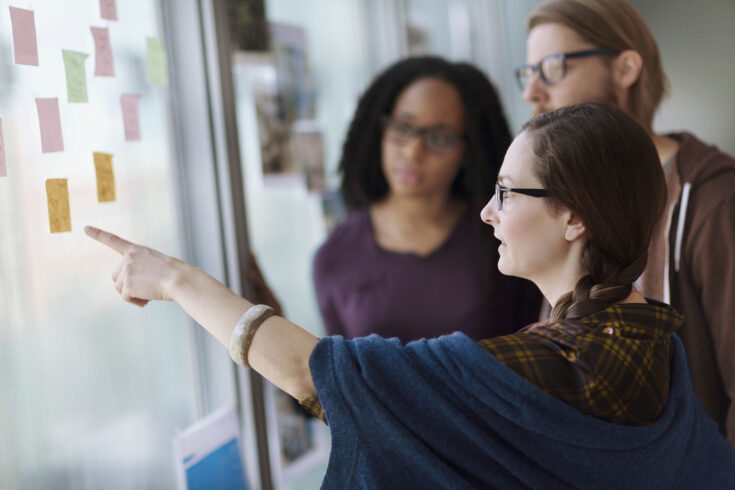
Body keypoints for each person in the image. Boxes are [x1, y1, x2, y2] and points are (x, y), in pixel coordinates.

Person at [86, 103, 735, 488]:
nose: (486, 212)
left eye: (507, 193)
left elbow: (317, 376)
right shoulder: (651, 342)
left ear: (574, 218)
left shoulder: (556, 368)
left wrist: (175, 279)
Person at [517, 0, 735, 446]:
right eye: (527, 72)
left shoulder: (713, 200)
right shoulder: (560, 199)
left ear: (625, 68)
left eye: (553, 67)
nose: (532, 92)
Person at [312, 56, 541, 343]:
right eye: (402, 128)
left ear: (468, 151)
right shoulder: (335, 256)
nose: (413, 152)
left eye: (440, 138)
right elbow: (337, 377)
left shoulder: (503, 236)